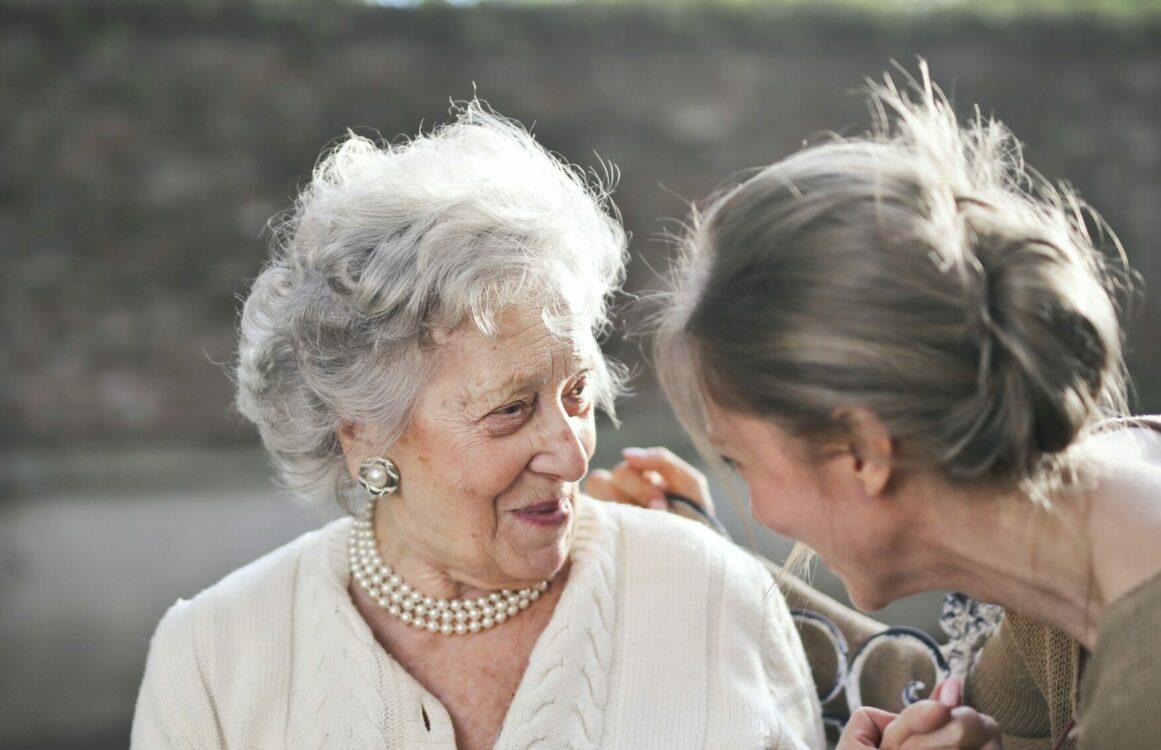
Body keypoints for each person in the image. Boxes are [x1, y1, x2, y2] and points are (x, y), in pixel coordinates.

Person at [130, 104, 828, 749]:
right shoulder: (212, 655)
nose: (570, 452)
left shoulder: (707, 593)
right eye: (510, 410)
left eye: (577, 393)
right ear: (362, 431)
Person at [588, 67, 1160, 750]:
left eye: (740, 459)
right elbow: (948, 694)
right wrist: (713, 569)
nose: (760, 509)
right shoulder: (1082, 548)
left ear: (861, 451)